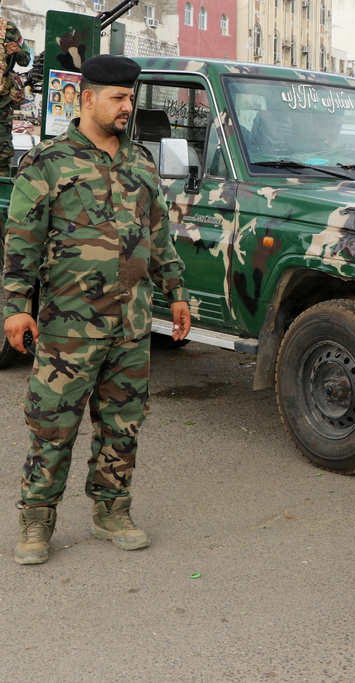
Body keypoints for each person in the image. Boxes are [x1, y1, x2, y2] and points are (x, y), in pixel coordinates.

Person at [4, 54, 191, 565]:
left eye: (131, 97)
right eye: (118, 97)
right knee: (53, 424)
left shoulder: (141, 164)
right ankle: (37, 519)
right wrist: (17, 307)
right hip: (68, 325)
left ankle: (112, 510)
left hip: (131, 324)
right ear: (87, 99)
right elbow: (22, 239)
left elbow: (159, 236)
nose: (127, 106)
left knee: (122, 423)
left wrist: (175, 292)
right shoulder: (48, 162)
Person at [0, 10, 29, 177]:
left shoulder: (8, 29)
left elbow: (25, 60)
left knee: (2, 153)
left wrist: (17, 51)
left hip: (2, 104)